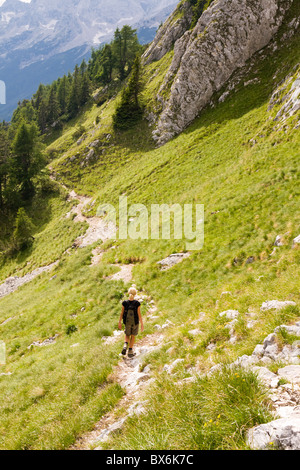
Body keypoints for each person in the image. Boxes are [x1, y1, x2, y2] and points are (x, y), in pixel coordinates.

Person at [118, 286, 144, 357]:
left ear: (128, 293)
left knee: (127, 335)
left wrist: (119, 322)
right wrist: (142, 324)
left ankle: (125, 345)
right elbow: (139, 314)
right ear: (135, 294)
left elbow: (122, 313)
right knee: (133, 336)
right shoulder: (137, 303)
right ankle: (130, 351)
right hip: (135, 322)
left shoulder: (125, 303)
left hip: (127, 322)